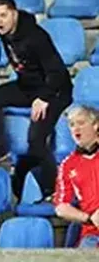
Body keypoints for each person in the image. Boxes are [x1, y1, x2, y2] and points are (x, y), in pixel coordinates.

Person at [0, 0, 73, 201]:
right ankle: (0, 151)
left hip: (55, 91)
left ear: (14, 14)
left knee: (36, 140)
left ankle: (53, 192)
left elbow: (57, 72)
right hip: (28, 87)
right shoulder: (2, 29)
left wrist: (44, 97)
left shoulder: (35, 37)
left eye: (3, 15)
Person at [54, 106, 99, 248]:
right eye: (72, 125)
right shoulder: (68, 164)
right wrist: (89, 218)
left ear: (96, 125)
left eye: (81, 123)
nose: (76, 129)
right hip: (92, 235)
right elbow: (61, 207)